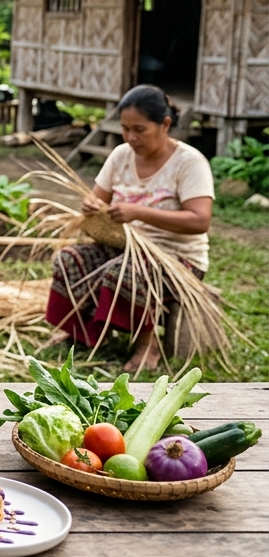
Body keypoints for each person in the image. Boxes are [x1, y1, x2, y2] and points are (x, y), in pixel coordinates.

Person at [44, 84, 214, 373]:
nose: (131, 137)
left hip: (176, 258)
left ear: (165, 125)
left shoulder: (189, 162)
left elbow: (200, 221)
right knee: (69, 259)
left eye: (139, 130)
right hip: (123, 248)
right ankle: (81, 333)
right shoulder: (121, 155)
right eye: (125, 129)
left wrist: (138, 212)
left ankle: (147, 344)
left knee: (124, 272)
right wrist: (90, 205)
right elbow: (97, 199)